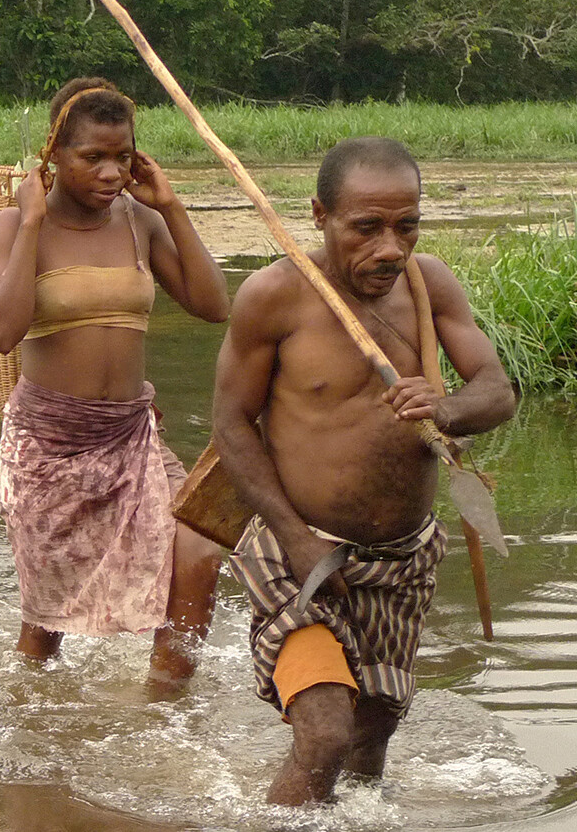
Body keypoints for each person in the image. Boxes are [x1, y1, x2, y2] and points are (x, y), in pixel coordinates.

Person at [213, 137, 515, 805]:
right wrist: (295, 538)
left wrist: (447, 408)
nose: (390, 248)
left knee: (369, 739)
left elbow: (497, 390)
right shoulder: (274, 296)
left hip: (402, 560)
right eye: (367, 227)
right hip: (299, 555)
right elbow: (231, 424)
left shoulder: (429, 285)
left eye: (407, 226)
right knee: (324, 736)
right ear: (320, 215)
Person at [0, 77, 230, 693]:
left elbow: (213, 305)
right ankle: (31, 710)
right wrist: (31, 222)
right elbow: (1, 332)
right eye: (92, 156)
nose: (111, 172)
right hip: (49, 444)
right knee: (49, 620)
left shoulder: (141, 221)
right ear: (54, 153)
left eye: (123, 155)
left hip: (131, 435)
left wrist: (171, 207)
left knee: (200, 547)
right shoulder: (16, 225)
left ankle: (167, 704)